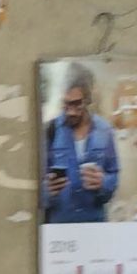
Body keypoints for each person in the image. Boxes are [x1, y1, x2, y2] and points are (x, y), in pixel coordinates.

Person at [44, 66, 118, 224]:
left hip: (94, 224)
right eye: (66, 104)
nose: (71, 112)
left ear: (88, 100)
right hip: (59, 225)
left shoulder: (105, 130)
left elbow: (113, 173)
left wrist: (104, 183)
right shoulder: (51, 130)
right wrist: (46, 190)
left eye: (77, 104)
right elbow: (34, 183)